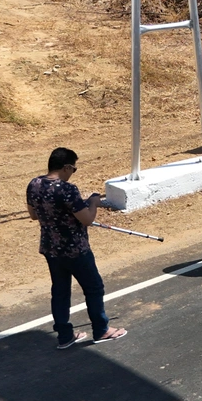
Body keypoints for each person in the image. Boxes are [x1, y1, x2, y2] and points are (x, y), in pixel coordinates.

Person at [26, 147, 125, 348]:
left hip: (51, 248)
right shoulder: (67, 189)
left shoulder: (34, 184)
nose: (72, 173)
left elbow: (34, 214)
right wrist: (94, 203)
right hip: (75, 249)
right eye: (73, 169)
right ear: (67, 167)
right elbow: (87, 219)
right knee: (93, 287)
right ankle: (101, 329)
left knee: (60, 291)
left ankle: (65, 335)